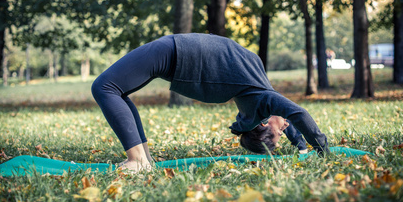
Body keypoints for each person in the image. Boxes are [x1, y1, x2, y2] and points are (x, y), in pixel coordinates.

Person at [91, 33, 329, 172]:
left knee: (109, 88)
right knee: (107, 88)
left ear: (264, 123)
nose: (285, 128)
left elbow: (290, 115)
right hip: (174, 51)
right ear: (265, 124)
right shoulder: (261, 97)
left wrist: (300, 145)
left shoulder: (259, 99)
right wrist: (319, 150)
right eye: (282, 132)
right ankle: (139, 159)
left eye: (281, 132)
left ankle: (142, 159)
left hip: (174, 52)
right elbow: (296, 114)